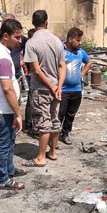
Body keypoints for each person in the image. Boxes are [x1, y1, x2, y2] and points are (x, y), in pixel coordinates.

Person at [0, 18, 26, 190]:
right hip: (4, 108)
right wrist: (18, 114)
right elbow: (8, 89)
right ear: (6, 36)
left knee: (9, 141)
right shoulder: (3, 58)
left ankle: (9, 170)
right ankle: (3, 179)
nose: (20, 41)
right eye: (17, 37)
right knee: (4, 143)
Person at [23, 10, 65, 166]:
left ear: (33, 23)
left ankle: (41, 157)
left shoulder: (32, 42)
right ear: (47, 22)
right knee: (54, 120)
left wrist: (52, 86)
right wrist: (58, 86)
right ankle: (52, 152)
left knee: (44, 122)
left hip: (41, 89)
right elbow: (62, 65)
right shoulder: (57, 41)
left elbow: (36, 70)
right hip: (56, 89)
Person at [59, 27, 91, 145]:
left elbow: (89, 62)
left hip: (76, 89)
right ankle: (54, 136)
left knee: (71, 114)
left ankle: (65, 133)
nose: (80, 42)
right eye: (78, 40)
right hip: (62, 90)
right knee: (60, 114)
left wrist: (82, 74)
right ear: (70, 39)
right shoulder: (60, 50)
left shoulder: (81, 52)